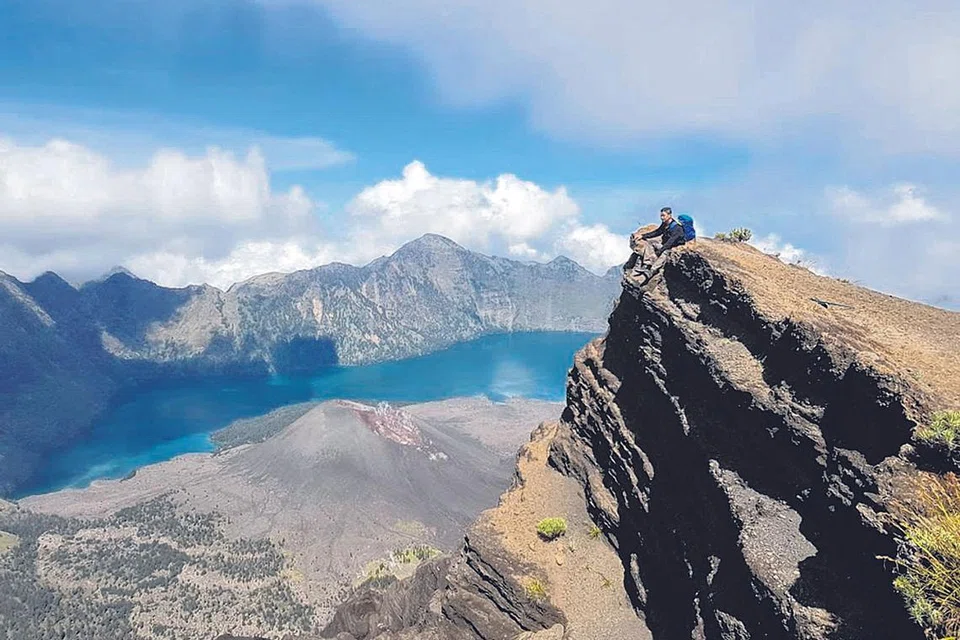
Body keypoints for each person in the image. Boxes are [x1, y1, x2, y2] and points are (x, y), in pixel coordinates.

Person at [624, 206, 688, 284]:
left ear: (669, 215)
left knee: (664, 254)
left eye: (663, 215)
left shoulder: (677, 228)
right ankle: (648, 263)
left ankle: (650, 271)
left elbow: (669, 243)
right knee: (650, 243)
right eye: (661, 215)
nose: (661, 218)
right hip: (666, 244)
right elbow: (657, 232)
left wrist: (657, 253)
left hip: (674, 247)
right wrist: (643, 236)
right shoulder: (665, 224)